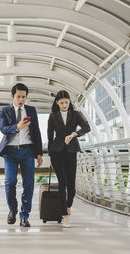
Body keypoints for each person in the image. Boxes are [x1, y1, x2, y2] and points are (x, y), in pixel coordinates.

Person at [0, 83, 43, 227]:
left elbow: (36, 132)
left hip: (27, 151)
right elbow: (3, 129)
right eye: (18, 96)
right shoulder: (4, 110)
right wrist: (17, 127)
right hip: (10, 151)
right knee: (10, 182)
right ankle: (12, 209)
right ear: (12, 96)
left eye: (23, 97)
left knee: (29, 184)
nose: (21, 99)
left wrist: (39, 153)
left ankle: (24, 216)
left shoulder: (31, 110)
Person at [47, 90, 90, 227]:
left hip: (71, 150)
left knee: (71, 185)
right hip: (56, 152)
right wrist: (50, 159)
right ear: (57, 103)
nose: (64, 105)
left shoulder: (76, 114)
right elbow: (49, 138)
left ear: (69, 102)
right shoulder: (53, 116)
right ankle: (64, 215)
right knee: (62, 182)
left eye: (66, 102)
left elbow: (86, 127)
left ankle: (68, 204)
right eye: (61, 103)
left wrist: (74, 134)